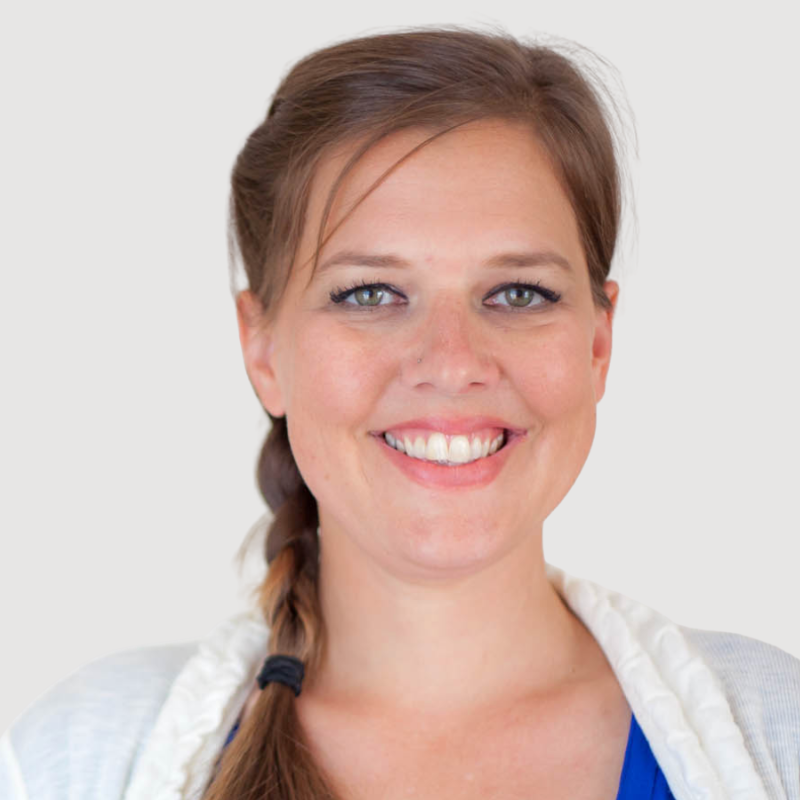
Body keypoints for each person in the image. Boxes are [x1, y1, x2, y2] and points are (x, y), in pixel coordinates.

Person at [2, 24, 798, 800]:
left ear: (598, 342)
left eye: (519, 292)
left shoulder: (779, 727)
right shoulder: (70, 762)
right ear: (263, 349)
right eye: (370, 294)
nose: (452, 361)